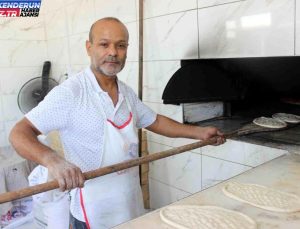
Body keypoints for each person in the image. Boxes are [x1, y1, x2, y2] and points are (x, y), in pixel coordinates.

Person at [9, 17, 225, 229]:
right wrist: (53, 160)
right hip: (92, 212)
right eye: (104, 44)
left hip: (129, 201)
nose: (113, 52)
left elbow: (155, 121)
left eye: (120, 45)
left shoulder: (126, 93)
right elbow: (19, 133)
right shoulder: (71, 93)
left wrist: (199, 132)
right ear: (89, 47)